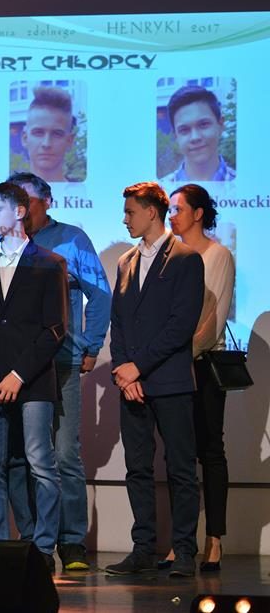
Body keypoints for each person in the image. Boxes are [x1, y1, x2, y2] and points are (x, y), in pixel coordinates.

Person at [3, 172, 111, 572]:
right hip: (17, 366)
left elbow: (99, 294)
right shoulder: (3, 240)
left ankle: (71, 541)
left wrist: (91, 345)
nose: (20, 210)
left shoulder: (72, 239)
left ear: (46, 201)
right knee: (20, 455)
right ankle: (31, 538)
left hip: (61, 360)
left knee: (64, 452)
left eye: (27, 201)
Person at [0, 182, 67, 574]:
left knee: (40, 463)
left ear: (19, 211)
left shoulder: (49, 263)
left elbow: (54, 329)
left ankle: (43, 548)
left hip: (32, 381)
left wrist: (18, 375)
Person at [104, 182, 204, 578]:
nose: (125, 219)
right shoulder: (126, 261)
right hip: (132, 385)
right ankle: (143, 549)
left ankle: (185, 552)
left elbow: (181, 325)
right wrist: (124, 371)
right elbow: (118, 321)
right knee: (137, 469)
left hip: (171, 381)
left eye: (130, 212)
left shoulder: (185, 259)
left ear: (151, 212)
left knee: (180, 469)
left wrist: (138, 367)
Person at [161, 184, 235, 572]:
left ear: (198, 213)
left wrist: (174, 356)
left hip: (203, 363)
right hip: (173, 364)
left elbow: (212, 324)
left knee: (210, 450)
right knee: (178, 455)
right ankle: (182, 541)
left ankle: (214, 538)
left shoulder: (217, 254)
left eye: (178, 209)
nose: (171, 215)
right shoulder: (169, 254)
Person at [163, 86, 235, 182]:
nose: (195, 137)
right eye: (184, 130)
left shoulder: (248, 185)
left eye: (203, 124)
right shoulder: (160, 189)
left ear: (220, 125)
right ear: (176, 136)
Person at [21, 86, 76, 183]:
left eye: (57, 134)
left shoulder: (86, 190)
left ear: (69, 141)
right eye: (38, 133)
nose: (46, 144)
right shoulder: (8, 190)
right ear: (25, 139)